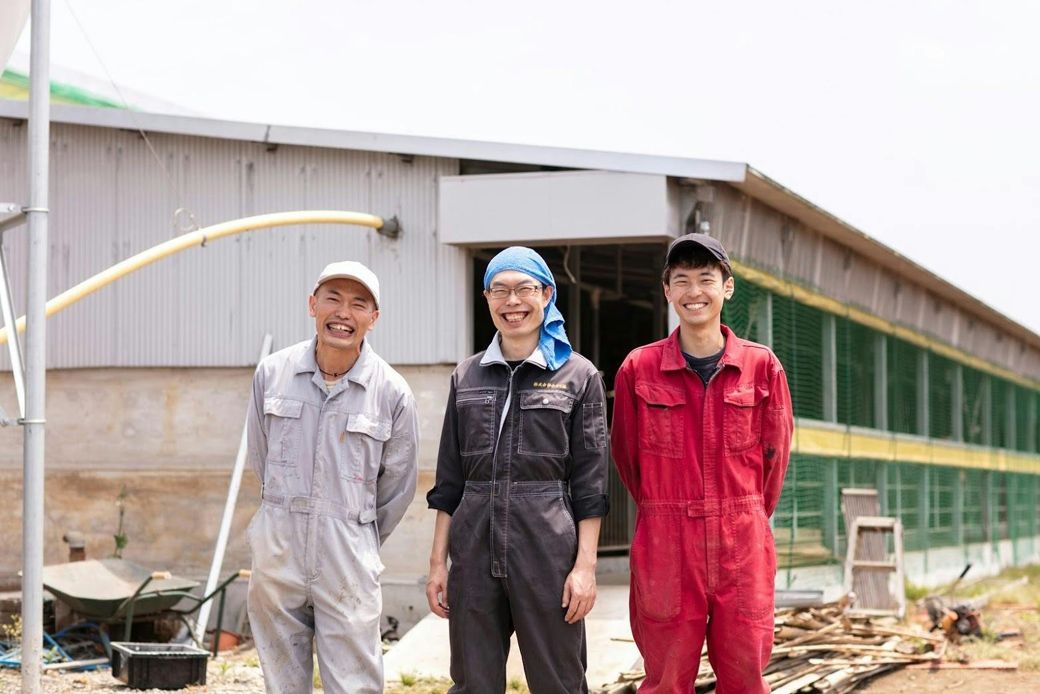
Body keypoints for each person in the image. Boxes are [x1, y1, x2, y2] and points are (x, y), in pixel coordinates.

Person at [611, 233, 793, 693]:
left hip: (743, 542)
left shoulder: (762, 367)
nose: (695, 292)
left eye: (706, 279)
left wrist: (744, 513)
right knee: (667, 679)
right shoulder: (639, 368)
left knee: (746, 679)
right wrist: (665, 509)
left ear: (727, 287)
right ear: (667, 291)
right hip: (667, 544)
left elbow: (775, 456)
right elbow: (628, 459)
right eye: (682, 280)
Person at [425, 246, 610, 694]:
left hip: (547, 548)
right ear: (487, 298)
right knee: (474, 683)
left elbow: (591, 483)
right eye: (500, 291)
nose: (513, 302)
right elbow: (450, 481)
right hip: (473, 550)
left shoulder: (578, 375)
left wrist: (585, 567)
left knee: (559, 681)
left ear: (546, 294)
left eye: (525, 289)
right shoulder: (466, 376)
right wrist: (437, 564)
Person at [245, 260, 419, 694]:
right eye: (333, 299)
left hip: (349, 553)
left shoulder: (392, 392)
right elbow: (260, 456)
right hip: (278, 546)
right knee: (281, 676)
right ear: (312, 305)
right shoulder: (272, 373)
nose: (343, 313)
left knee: (355, 680)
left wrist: (354, 531)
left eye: (358, 304)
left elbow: (397, 487)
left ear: (373, 319)